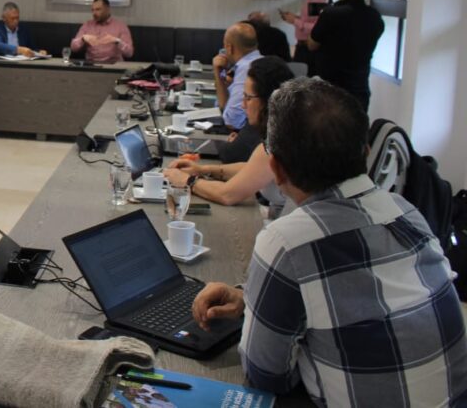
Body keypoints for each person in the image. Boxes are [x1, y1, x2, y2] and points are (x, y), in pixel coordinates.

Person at [191, 79, 467, 406]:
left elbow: (266, 375)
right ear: (364, 152)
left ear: (276, 170)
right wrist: (249, 297)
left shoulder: (285, 242)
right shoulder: (406, 212)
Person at [165, 56, 294, 206]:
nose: (243, 105)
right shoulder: (285, 128)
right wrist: (202, 169)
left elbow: (227, 195)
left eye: (248, 97)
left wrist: (186, 180)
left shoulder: (277, 143)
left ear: (268, 101)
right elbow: (252, 169)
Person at [308, 0, 384, 111]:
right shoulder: (375, 17)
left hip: (331, 89)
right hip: (359, 88)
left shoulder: (331, 14)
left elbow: (312, 44)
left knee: (329, 131)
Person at [279, 0, 328, 75]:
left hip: (310, 49)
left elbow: (318, 27)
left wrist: (295, 21)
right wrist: (295, 18)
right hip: (303, 47)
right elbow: (311, 20)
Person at [213, 22, 261, 130]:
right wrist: (219, 74)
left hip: (246, 136)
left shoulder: (246, 68)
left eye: (224, 45)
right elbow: (224, 106)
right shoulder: (257, 61)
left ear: (229, 48)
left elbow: (232, 121)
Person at [69, 0, 134, 64]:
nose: (94, 13)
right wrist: (82, 39)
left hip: (113, 65)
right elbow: (73, 48)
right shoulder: (87, 25)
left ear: (107, 9)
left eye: (98, 9)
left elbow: (129, 53)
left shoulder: (120, 26)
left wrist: (117, 41)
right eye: (93, 10)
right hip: (91, 65)